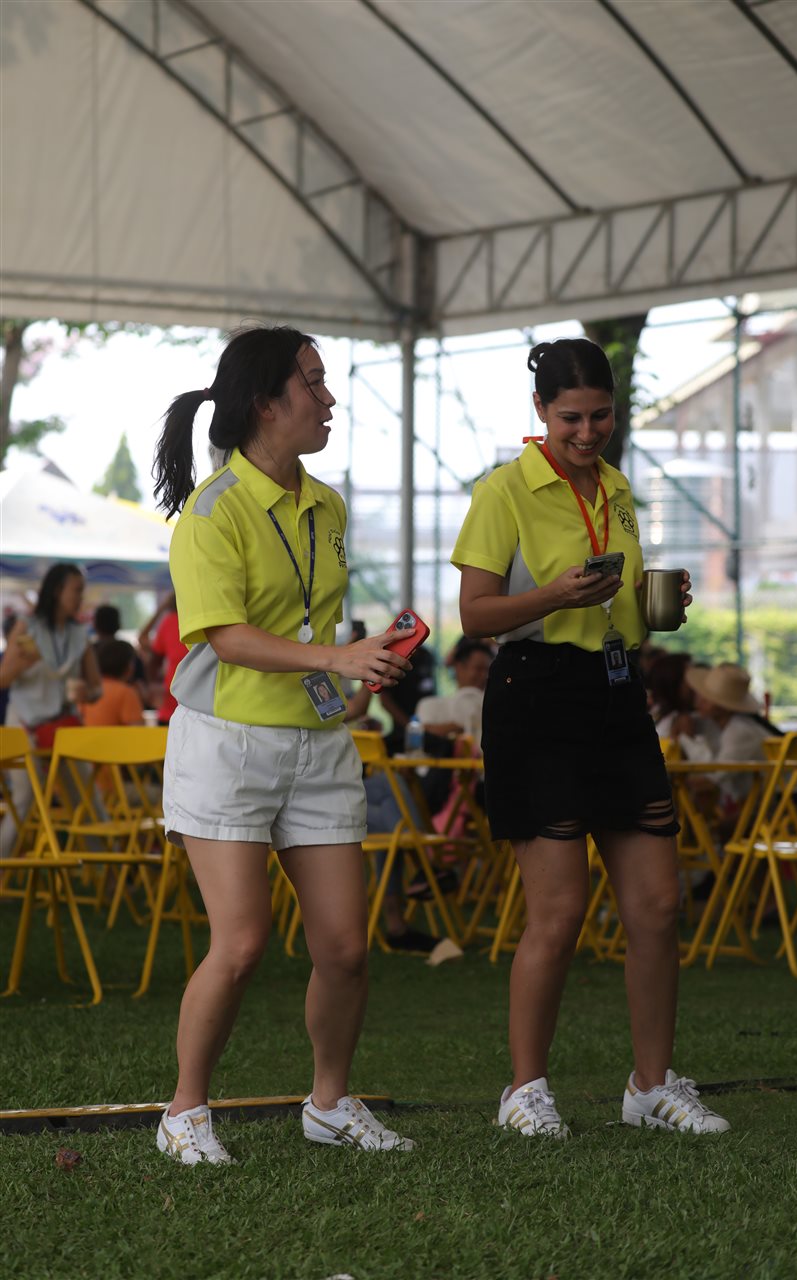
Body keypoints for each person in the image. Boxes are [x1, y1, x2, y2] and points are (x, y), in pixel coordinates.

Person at [452, 336, 730, 1137]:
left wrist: (656, 603)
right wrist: (552, 595)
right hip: (534, 694)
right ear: (540, 411)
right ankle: (523, 1090)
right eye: (570, 417)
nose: (586, 431)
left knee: (656, 904)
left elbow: (621, 604)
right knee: (560, 911)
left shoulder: (616, 487)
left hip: (616, 692)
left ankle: (650, 1086)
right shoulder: (504, 489)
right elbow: (474, 615)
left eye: (600, 416)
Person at [150, 324, 415, 1164]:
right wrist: (336, 658)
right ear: (266, 403)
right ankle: (184, 1112)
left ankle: (329, 1104)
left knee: (344, 947)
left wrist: (359, 669)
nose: (329, 399)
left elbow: (312, 627)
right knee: (240, 945)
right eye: (313, 382)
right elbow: (225, 637)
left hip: (317, 742)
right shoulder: (212, 511)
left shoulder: (325, 505)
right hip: (224, 745)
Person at [0, 563, 101, 858]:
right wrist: (21, 664)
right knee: (24, 799)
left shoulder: (79, 633)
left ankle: (106, 871)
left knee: (86, 798)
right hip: (25, 724)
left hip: (62, 726)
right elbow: (3, 679)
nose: (81, 597)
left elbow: (96, 688)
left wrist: (87, 693)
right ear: (57, 591)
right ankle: (4, 866)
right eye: (77, 590)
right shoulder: (27, 626)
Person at [682, 662, 797, 823]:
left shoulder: (739, 731)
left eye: (706, 698)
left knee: (719, 828)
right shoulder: (731, 724)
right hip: (780, 800)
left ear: (723, 706)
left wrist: (677, 779)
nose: (698, 701)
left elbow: (712, 780)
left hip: (794, 806)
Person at [137, 593, 188, 725]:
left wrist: (161, 609)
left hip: (172, 703)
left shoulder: (169, 622)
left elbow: (144, 641)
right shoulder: (173, 622)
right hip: (195, 707)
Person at [81, 639, 145, 727]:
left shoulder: (89, 689)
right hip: (115, 736)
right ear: (128, 666)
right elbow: (136, 729)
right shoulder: (126, 693)